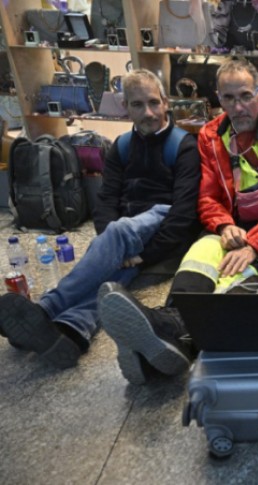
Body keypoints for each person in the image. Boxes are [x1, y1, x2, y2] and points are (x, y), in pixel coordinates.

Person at [98, 59, 258, 385]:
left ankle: (166, 338)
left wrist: (253, 245)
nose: (238, 106)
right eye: (229, 98)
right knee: (201, 254)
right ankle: (169, 323)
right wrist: (224, 225)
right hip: (232, 224)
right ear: (218, 98)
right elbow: (207, 197)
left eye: (245, 96)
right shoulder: (211, 136)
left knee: (234, 276)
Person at [0, 69, 201, 369]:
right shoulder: (120, 146)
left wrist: (142, 256)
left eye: (153, 103)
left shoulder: (184, 146)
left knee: (120, 230)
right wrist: (110, 243)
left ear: (166, 103)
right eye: (137, 105)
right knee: (112, 279)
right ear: (126, 108)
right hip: (127, 231)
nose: (148, 113)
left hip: (162, 225)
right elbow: (106, 199)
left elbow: (183, 213)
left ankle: (48, 306)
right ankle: (71, 331)